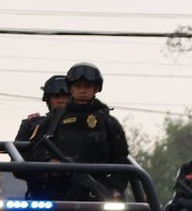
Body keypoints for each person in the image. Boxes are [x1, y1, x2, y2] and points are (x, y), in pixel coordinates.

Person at [35, 63, 130, 199]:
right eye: (78, 86)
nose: (82, 91)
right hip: (57, 193)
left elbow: (122, 160)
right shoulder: (53, 120)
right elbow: (34, 152)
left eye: (87, 86)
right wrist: (49, 162)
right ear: (71, 89)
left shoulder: (108, 122)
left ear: (96, 89)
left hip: (98, 195)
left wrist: (115, 189)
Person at [14, 75, 71, 150]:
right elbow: (18, 152)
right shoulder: (31, 125)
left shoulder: (82, 121)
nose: (61, 100)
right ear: (48, 100)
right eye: (56, 96)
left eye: (66, 97)